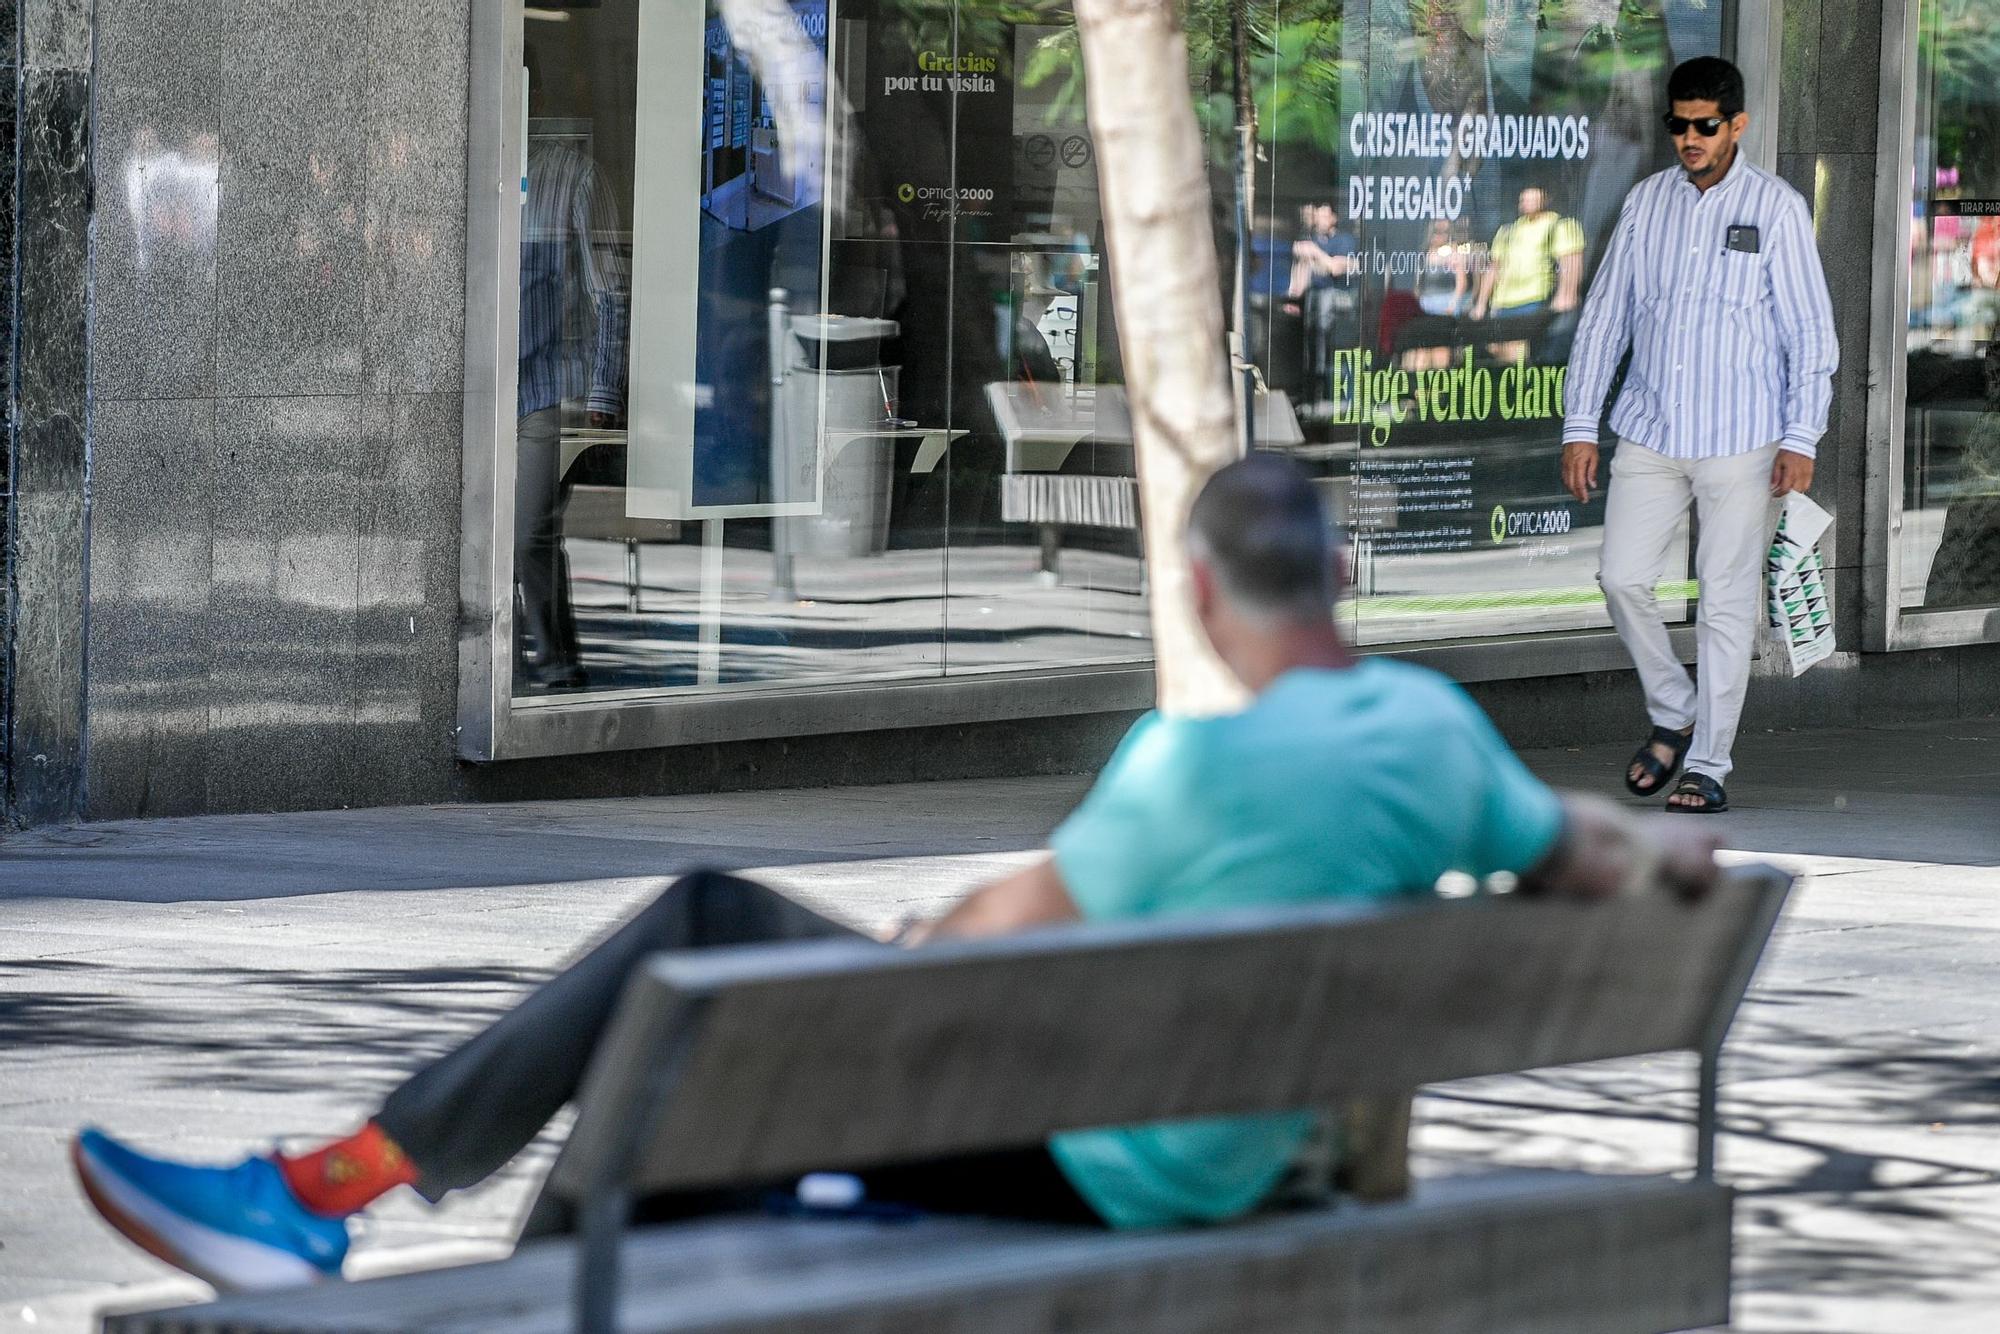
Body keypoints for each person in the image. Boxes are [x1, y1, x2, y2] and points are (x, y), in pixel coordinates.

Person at [71, 456, 1720, 1293]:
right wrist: (1672, 839)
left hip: (1111, 1174)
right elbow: (1589, 848)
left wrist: (933, 927)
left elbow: (979, 934)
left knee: (715, 940)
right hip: (1226, 1152)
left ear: (1210, 593)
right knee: (718, 1025)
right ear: (1340, 577)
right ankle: (422, 1237)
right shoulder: (1433, 735)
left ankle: (333, 1193)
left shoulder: (1189, 762)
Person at [1560, 56, 1838, 814]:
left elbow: (1810, 335)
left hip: (1743, 438)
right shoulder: (1647, 204)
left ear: (1736, 126)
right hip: (1649, 429)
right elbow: (1606, 318)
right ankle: (1675, 708)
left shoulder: (1776, 210)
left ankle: (1709, 763)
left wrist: (1801, 437)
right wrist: (1580, 425)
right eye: (1678, 124)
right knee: (1621, 577)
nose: (1689, 137)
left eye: (1704, 126)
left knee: (1723, 603)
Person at [514, 81, 631, 692]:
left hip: (545, 385)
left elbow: (607, 288)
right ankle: (509, 661)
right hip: (482, 387)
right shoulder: (468, 167)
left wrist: (603, 393)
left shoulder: (572, 177)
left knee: (528, 530)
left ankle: (557, 661)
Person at [1471, 185, 1585, 364]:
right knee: (1499, 352)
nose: (1527, 203)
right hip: (1502, 302)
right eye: (1524, 199)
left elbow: (1571, 261)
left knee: (1520, 354)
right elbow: (1494, 268)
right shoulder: (1507, 231)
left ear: (1544, 200)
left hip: (1533, 299)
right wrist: (1481, 304)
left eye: (1533, 199)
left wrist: (1566, 295)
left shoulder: (1559, 225)